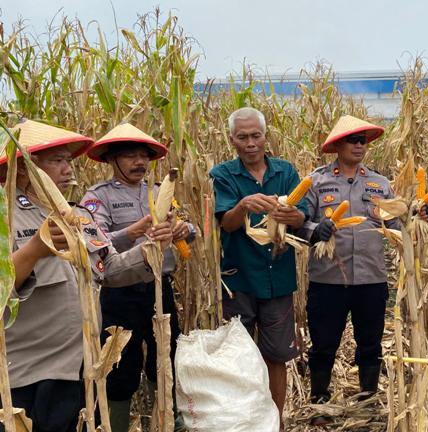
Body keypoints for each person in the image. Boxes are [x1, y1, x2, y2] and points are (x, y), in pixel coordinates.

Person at [1, 119, 174, 431]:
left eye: (69, 160)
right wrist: (34, 250)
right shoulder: (5, 216)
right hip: (24, 372)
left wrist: (152, 247)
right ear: (24, 168)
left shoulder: (78, 216)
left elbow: (110, 270)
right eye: (57, 161)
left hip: (79, 366)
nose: (69, 169)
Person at [80, 124, 195, 431]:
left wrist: (185, 230)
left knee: (166, 358)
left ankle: (169, 421)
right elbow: (96, 244)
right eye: (130, 156)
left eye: (143, 155)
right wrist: (133, 232)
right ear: (112, 161)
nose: (139, 162)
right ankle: (115, 423)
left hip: (159, 288)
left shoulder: (159, 191)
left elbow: (188, 228)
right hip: (120, 293)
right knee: (120, 367)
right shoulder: (97, 198)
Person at [209, 107, 308, 429]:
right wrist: (244, 205)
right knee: (238, 354)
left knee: (277, 354)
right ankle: (242, 422)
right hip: (238, 278)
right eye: (243, 137)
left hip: (278, 278)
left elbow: (301, 217)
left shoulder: (286, 171)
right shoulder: (222, 175)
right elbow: (226, 222)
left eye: (256, 136)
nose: (251, 143)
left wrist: (291, 216)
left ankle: (275, 422)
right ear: (231, 140)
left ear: (266, 136)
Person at [300, 115, 403, 426]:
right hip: (327, 280)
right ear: (337, 146)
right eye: (353, 140)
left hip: (371, 279)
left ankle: (368, 401)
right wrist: (316, 229)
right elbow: (296, 222)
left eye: (364, 140)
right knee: (323, 345)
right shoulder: (316, 182)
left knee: (370, 344)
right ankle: (319, 404)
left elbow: (395, 224)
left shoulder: (380, 184)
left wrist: (418, 214)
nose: (360, 145)